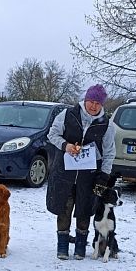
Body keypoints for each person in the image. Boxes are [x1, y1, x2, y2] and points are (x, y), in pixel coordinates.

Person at [46, 84, 115, 260]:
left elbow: (109, 151)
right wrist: (66, 145)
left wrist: (104, 176)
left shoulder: (106, 124)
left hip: (89, 175)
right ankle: (62, 246)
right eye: (91, 101)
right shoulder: (68, 115)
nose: (93, 106)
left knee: (85, 209)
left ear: (102, 105)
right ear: (85, 100)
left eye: (98, 103)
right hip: (65, 172)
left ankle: (80, 247)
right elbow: (52, 134)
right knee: (64, 207)